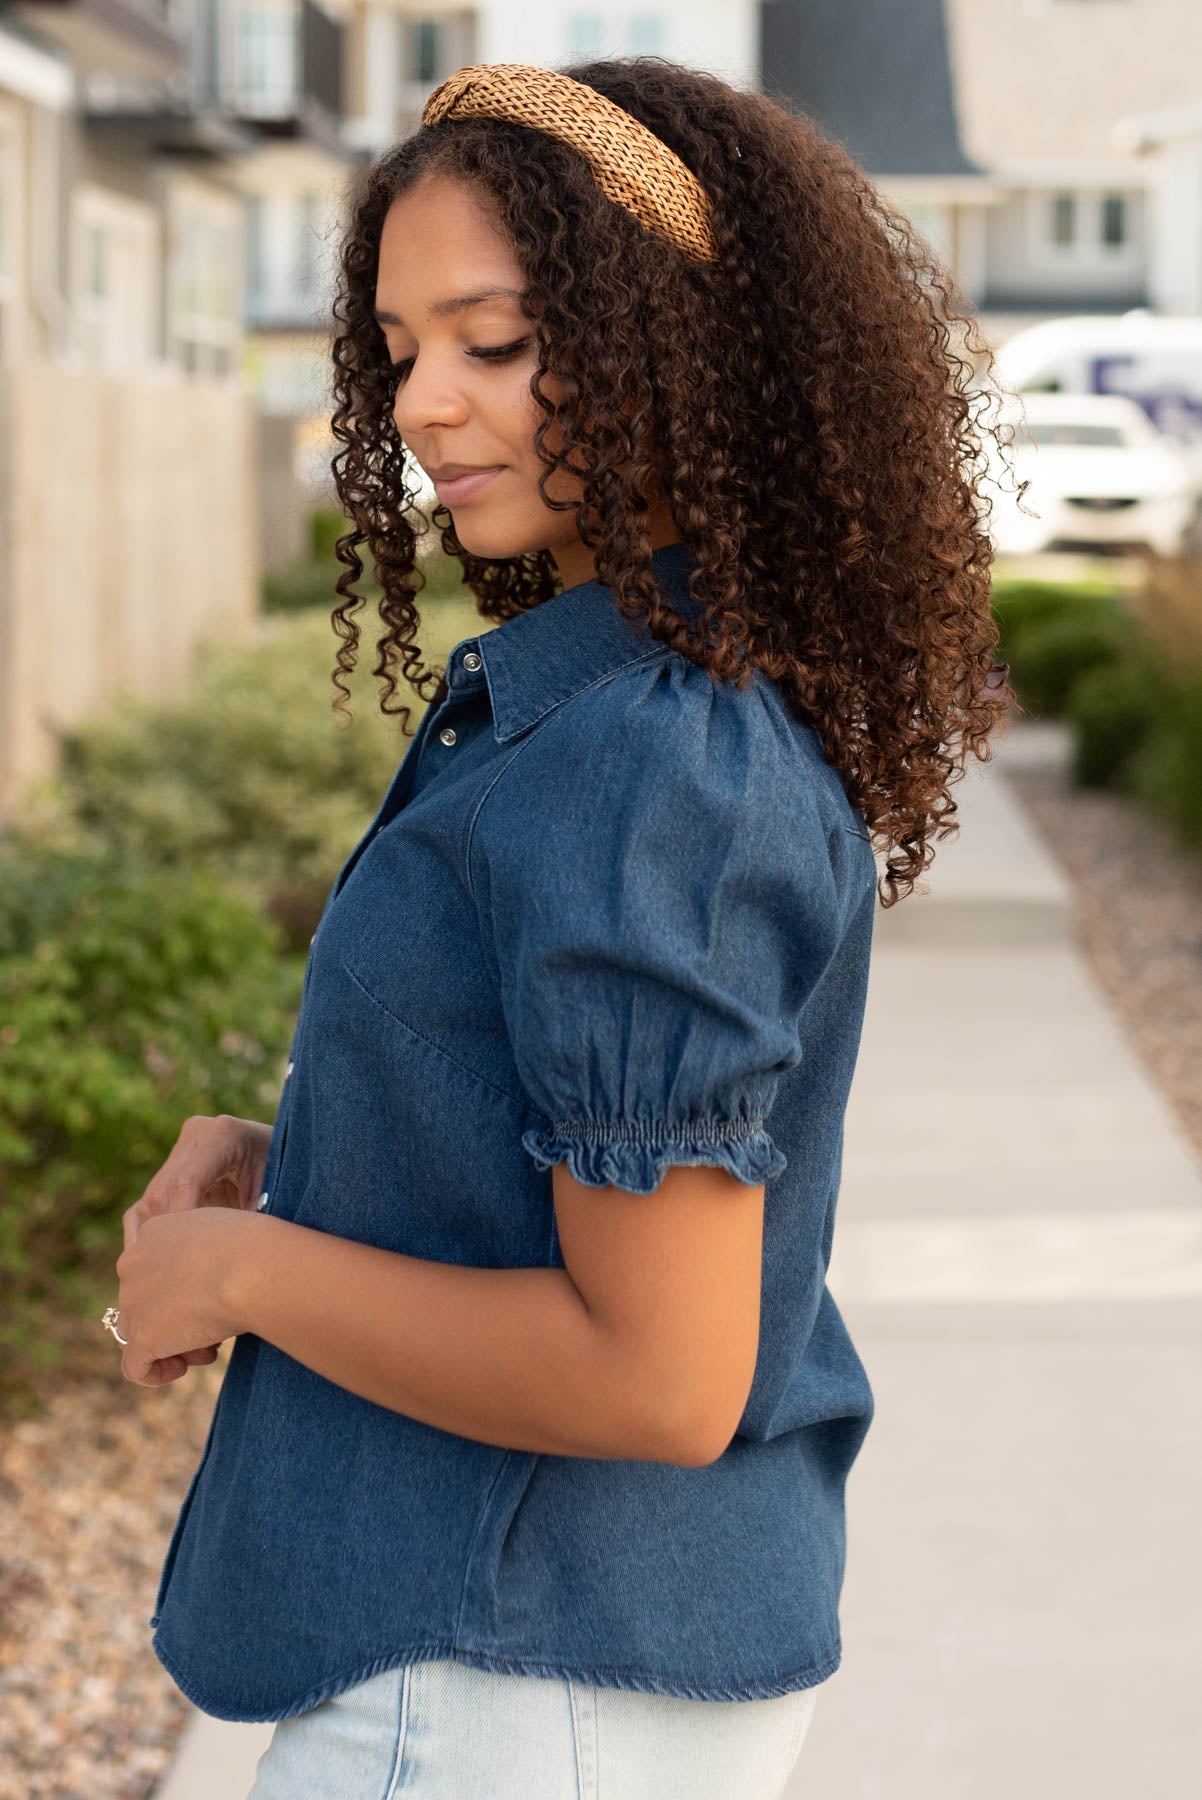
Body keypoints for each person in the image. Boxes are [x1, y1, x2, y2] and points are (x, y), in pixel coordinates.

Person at [108, 55, 1014, 1799]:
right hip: (552, 1667)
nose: (426, 406)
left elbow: (660, 1374)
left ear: (674, 337)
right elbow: (551, 1166)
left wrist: (244, 1272)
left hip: (513, 1688)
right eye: (394, 353)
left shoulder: (647, 762)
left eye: (495, 343)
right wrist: (305, 1158)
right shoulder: (634, 712)